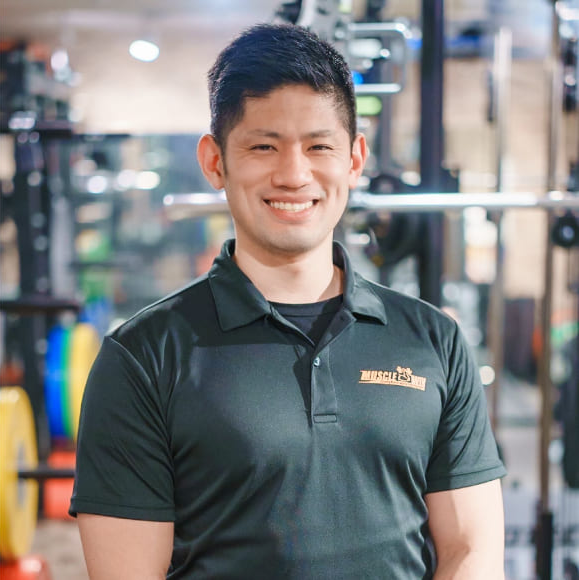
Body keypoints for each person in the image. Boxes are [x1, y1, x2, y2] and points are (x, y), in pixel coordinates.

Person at [70, 23, 506, 579]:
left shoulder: (434, 341)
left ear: (354, 159)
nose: (294, 174)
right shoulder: (143, 357)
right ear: (215, 161)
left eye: (319, 146)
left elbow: (470, 551)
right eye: (263, 146)